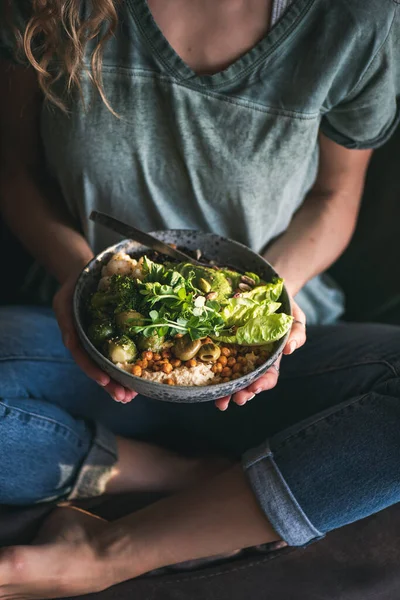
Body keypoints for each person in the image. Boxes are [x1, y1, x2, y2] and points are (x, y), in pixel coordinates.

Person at [0, 0, 400, 597]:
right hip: (79, 344)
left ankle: (110, 553)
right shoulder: (51, 8)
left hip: (277, 365)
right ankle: (181, 474)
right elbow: (16, 170)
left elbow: (334, 196)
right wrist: (80, 277)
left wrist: (273, 298)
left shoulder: (356, 20)